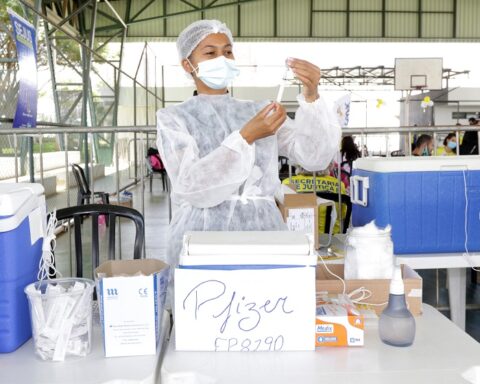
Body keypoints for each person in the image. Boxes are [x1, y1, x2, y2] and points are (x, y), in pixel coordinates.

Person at [156, 20, 340, 270]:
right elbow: (191, 185)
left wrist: (311, 95)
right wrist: (245, 137)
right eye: (210, 52)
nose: (222, 58)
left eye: (228, 51)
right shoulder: (174, 119)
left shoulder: (258, 111)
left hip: (263, 234)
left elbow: (313, 156)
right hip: (200, 238)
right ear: (188, 64)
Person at [282, 165, 348, 234]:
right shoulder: (339, 185)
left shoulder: (287, 183)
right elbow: (342, 214)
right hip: (331, 237)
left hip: (299, 236)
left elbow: (283, 214)